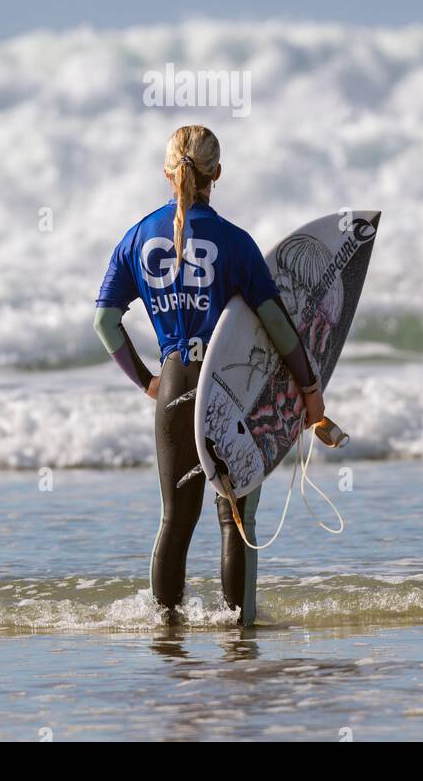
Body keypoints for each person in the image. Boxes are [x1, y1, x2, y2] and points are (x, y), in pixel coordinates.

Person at [93, 124, 324, 624]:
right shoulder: (236, 244)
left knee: (176, 520)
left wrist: (149, 382)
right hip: (231, 389)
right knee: (236, 519)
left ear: (166, 172)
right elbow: (277, 325)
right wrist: (308, 388)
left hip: (174, 388)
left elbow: (104, 321)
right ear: (217, 173)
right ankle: (238, 632)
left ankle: (166, 632)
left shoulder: (136, 238)